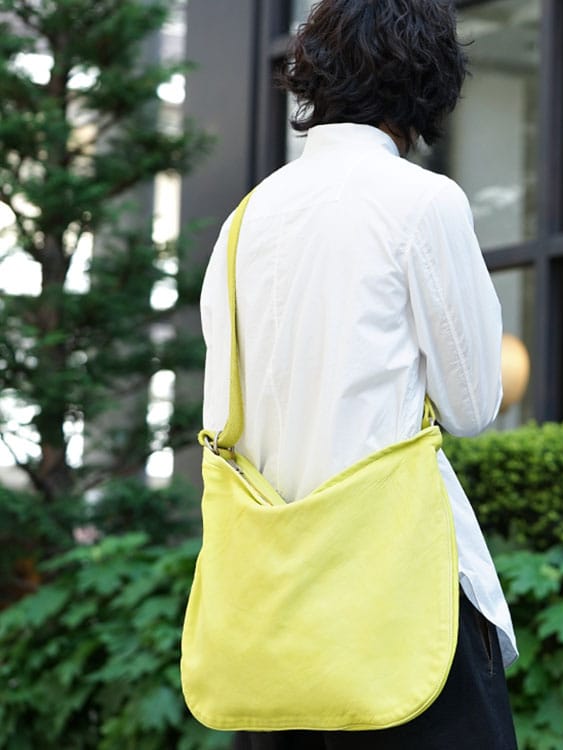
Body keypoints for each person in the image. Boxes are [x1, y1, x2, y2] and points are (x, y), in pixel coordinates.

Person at [198, 1, 519, 747]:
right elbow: (472, 406)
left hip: (275, 627)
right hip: (397, 614)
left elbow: (223, 415)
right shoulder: (423, 203)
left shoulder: (246, 218)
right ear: (430, 84)